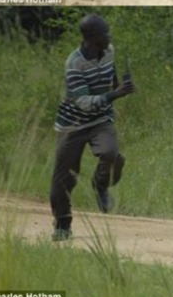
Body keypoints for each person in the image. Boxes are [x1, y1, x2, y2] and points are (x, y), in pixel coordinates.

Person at [50, 14, 135, 241]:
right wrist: (114, 94)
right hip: (73, 124)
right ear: (93, 38)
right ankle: (63, 225)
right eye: (105, 33)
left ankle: (100, 186)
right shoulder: (74, 64)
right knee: (63, 179)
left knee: (110, 153)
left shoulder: (109, 51)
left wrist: (121, 85)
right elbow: (84, 103)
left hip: (100, 120)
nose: (109, 36)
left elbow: (110, 77)